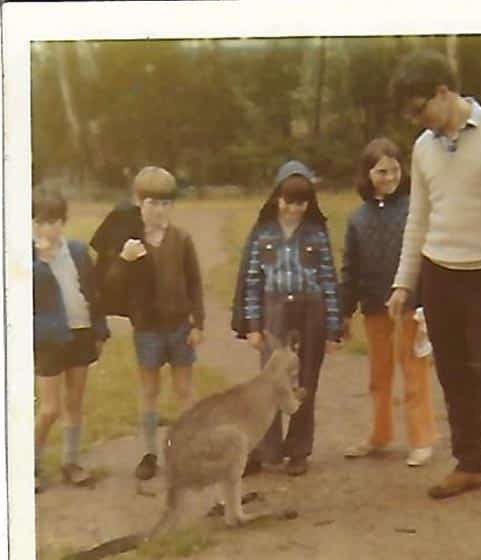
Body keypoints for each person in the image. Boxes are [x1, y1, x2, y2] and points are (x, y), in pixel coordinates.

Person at [385, 49, 481, 515]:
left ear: (443, 91)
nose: (417, 121)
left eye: (420, 109)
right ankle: (469, 464)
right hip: (439, 274)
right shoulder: (424, 148)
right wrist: (402, 283)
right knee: (452, 374)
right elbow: (419, 218)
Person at [231, 160, 342, 477]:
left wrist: (333, 330)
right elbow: (252, 281)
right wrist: (253, 326)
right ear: (277, 197)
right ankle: (267, 450)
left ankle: (298, 449)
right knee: (270, 382)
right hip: (274, 310)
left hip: (311, 310)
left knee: (306, 380)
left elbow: (328, 280)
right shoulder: (262, 233)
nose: (294, 209)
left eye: (301, 203)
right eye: (289, 201)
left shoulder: (316, 233)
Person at [94, 166, 205, 480]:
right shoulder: (130, 241)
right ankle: (149, 453)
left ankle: (186, 449)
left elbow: (194, 283)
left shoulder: (182, 239)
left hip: (180, 326)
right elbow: (110, 287)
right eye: (152, 203)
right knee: (149, 390)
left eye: (165, 203)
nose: (158, 210)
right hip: (147, 329)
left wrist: (199, 323)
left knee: (184, 389)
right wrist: (123, 260)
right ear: (138, 203)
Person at [340, 137, 437, 467]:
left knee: (414, 373)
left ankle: (422, 440)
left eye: (395, 170)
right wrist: (344, 311)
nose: (389, 177)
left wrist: (423, 302)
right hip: (374, 306)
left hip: (410, 304)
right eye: (382, 171)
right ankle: (380, 435)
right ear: (367, 174)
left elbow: (427, 258)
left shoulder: (415, 210)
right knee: (378, 376)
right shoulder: (357, 219)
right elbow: (350, 268)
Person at [33, 187, 109, 492]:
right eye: (42, 221)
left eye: (55, 221)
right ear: (32, 223)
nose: (49, 228)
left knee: (74, 403)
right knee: (49, 408)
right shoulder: (25, 258)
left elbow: (93, 293)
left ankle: (71, 462)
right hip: (49, 340)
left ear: (64, 221)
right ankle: (30, 465)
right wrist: (39, 260)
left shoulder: (77, 252)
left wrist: (99, 331)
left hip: (80, 333)